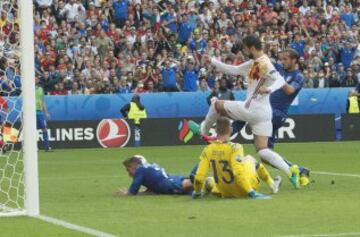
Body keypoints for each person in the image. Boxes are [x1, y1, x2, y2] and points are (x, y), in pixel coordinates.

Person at [201, 35, 300, 188]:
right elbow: (234, 70)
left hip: (252, 109)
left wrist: (268, 89)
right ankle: (290, 172)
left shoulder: (265, 63)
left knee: (216, 105)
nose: (244, 51)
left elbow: (279, 80)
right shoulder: (254, 62)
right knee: (262, 150)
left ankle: (204, 132)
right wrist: (213, 61)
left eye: (245, 48)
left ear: (251, 47)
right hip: (264, 114)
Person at [231, 48, 311, 186]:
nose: (283, 62)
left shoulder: (298, 76)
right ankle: (299, 170)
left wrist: (277, 81)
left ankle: (224, 135)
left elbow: (290, 90)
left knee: (246, 111)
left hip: (276, 114)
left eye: (286, 59)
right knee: (264, 155)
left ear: (294, 60)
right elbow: (265, 60)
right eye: (282, 59)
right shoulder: (279, 69)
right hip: (267, 112)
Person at [192, 117, 282, 199]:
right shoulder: (235, 147)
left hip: (224, 192)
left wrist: (196, 192)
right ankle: (272, 185)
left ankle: (202, 192)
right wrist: (251, 192)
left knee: (208, 180)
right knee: (249, 158)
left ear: (215, 130)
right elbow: (238, 172)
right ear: (231, 130)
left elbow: (199, 177)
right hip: (244, 190)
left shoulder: (207, 150)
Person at [117, 155, 193, 195]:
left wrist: (124, 193)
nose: (128, 174)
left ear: (133, 165)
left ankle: (203, 181)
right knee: (191, 188)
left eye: (128, 169)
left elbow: (132, 192)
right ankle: (201, 183)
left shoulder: (140, 170)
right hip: (173, 178)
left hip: (168, 184)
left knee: (189, 184)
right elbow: (152, 189)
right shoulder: (151, 166)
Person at [35, 76, 52, 151]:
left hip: (40, 112)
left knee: (44, 129)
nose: (35, 80)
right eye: (34, 79)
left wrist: (46, 112)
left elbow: (43, 101)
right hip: (31, 112)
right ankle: (34, 147)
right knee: (31, 130)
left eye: (36, 79)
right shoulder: (28, 89)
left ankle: (47, 147)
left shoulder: (41, 89)